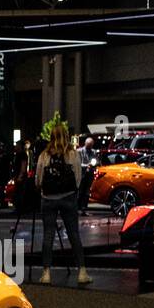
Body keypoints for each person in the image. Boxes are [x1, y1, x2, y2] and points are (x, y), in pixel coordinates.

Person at [35, 123, 90, 286]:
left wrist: (43, 190)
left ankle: (46, 273)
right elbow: (78, 178)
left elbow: (38, 180)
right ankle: (81, 272)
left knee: (48, 235)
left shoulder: (44, 155)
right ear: (66, 136)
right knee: (73, 234)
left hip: (48, 199)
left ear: (50, 137)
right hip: (68, 198)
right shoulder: (72, 154)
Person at [76, 136, 97, 213]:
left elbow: (96, 161)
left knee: (87, 192)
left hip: (89, 175)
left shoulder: (93, 152)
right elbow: (77, 163)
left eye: (91, 146)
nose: (89, 147)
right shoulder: (79, 151)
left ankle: (84, 208)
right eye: (88, 145)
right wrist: (87, 165)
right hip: (81, 174)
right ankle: (78, 208)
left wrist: (93, 165)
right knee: (80, 191)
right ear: (85, 144)